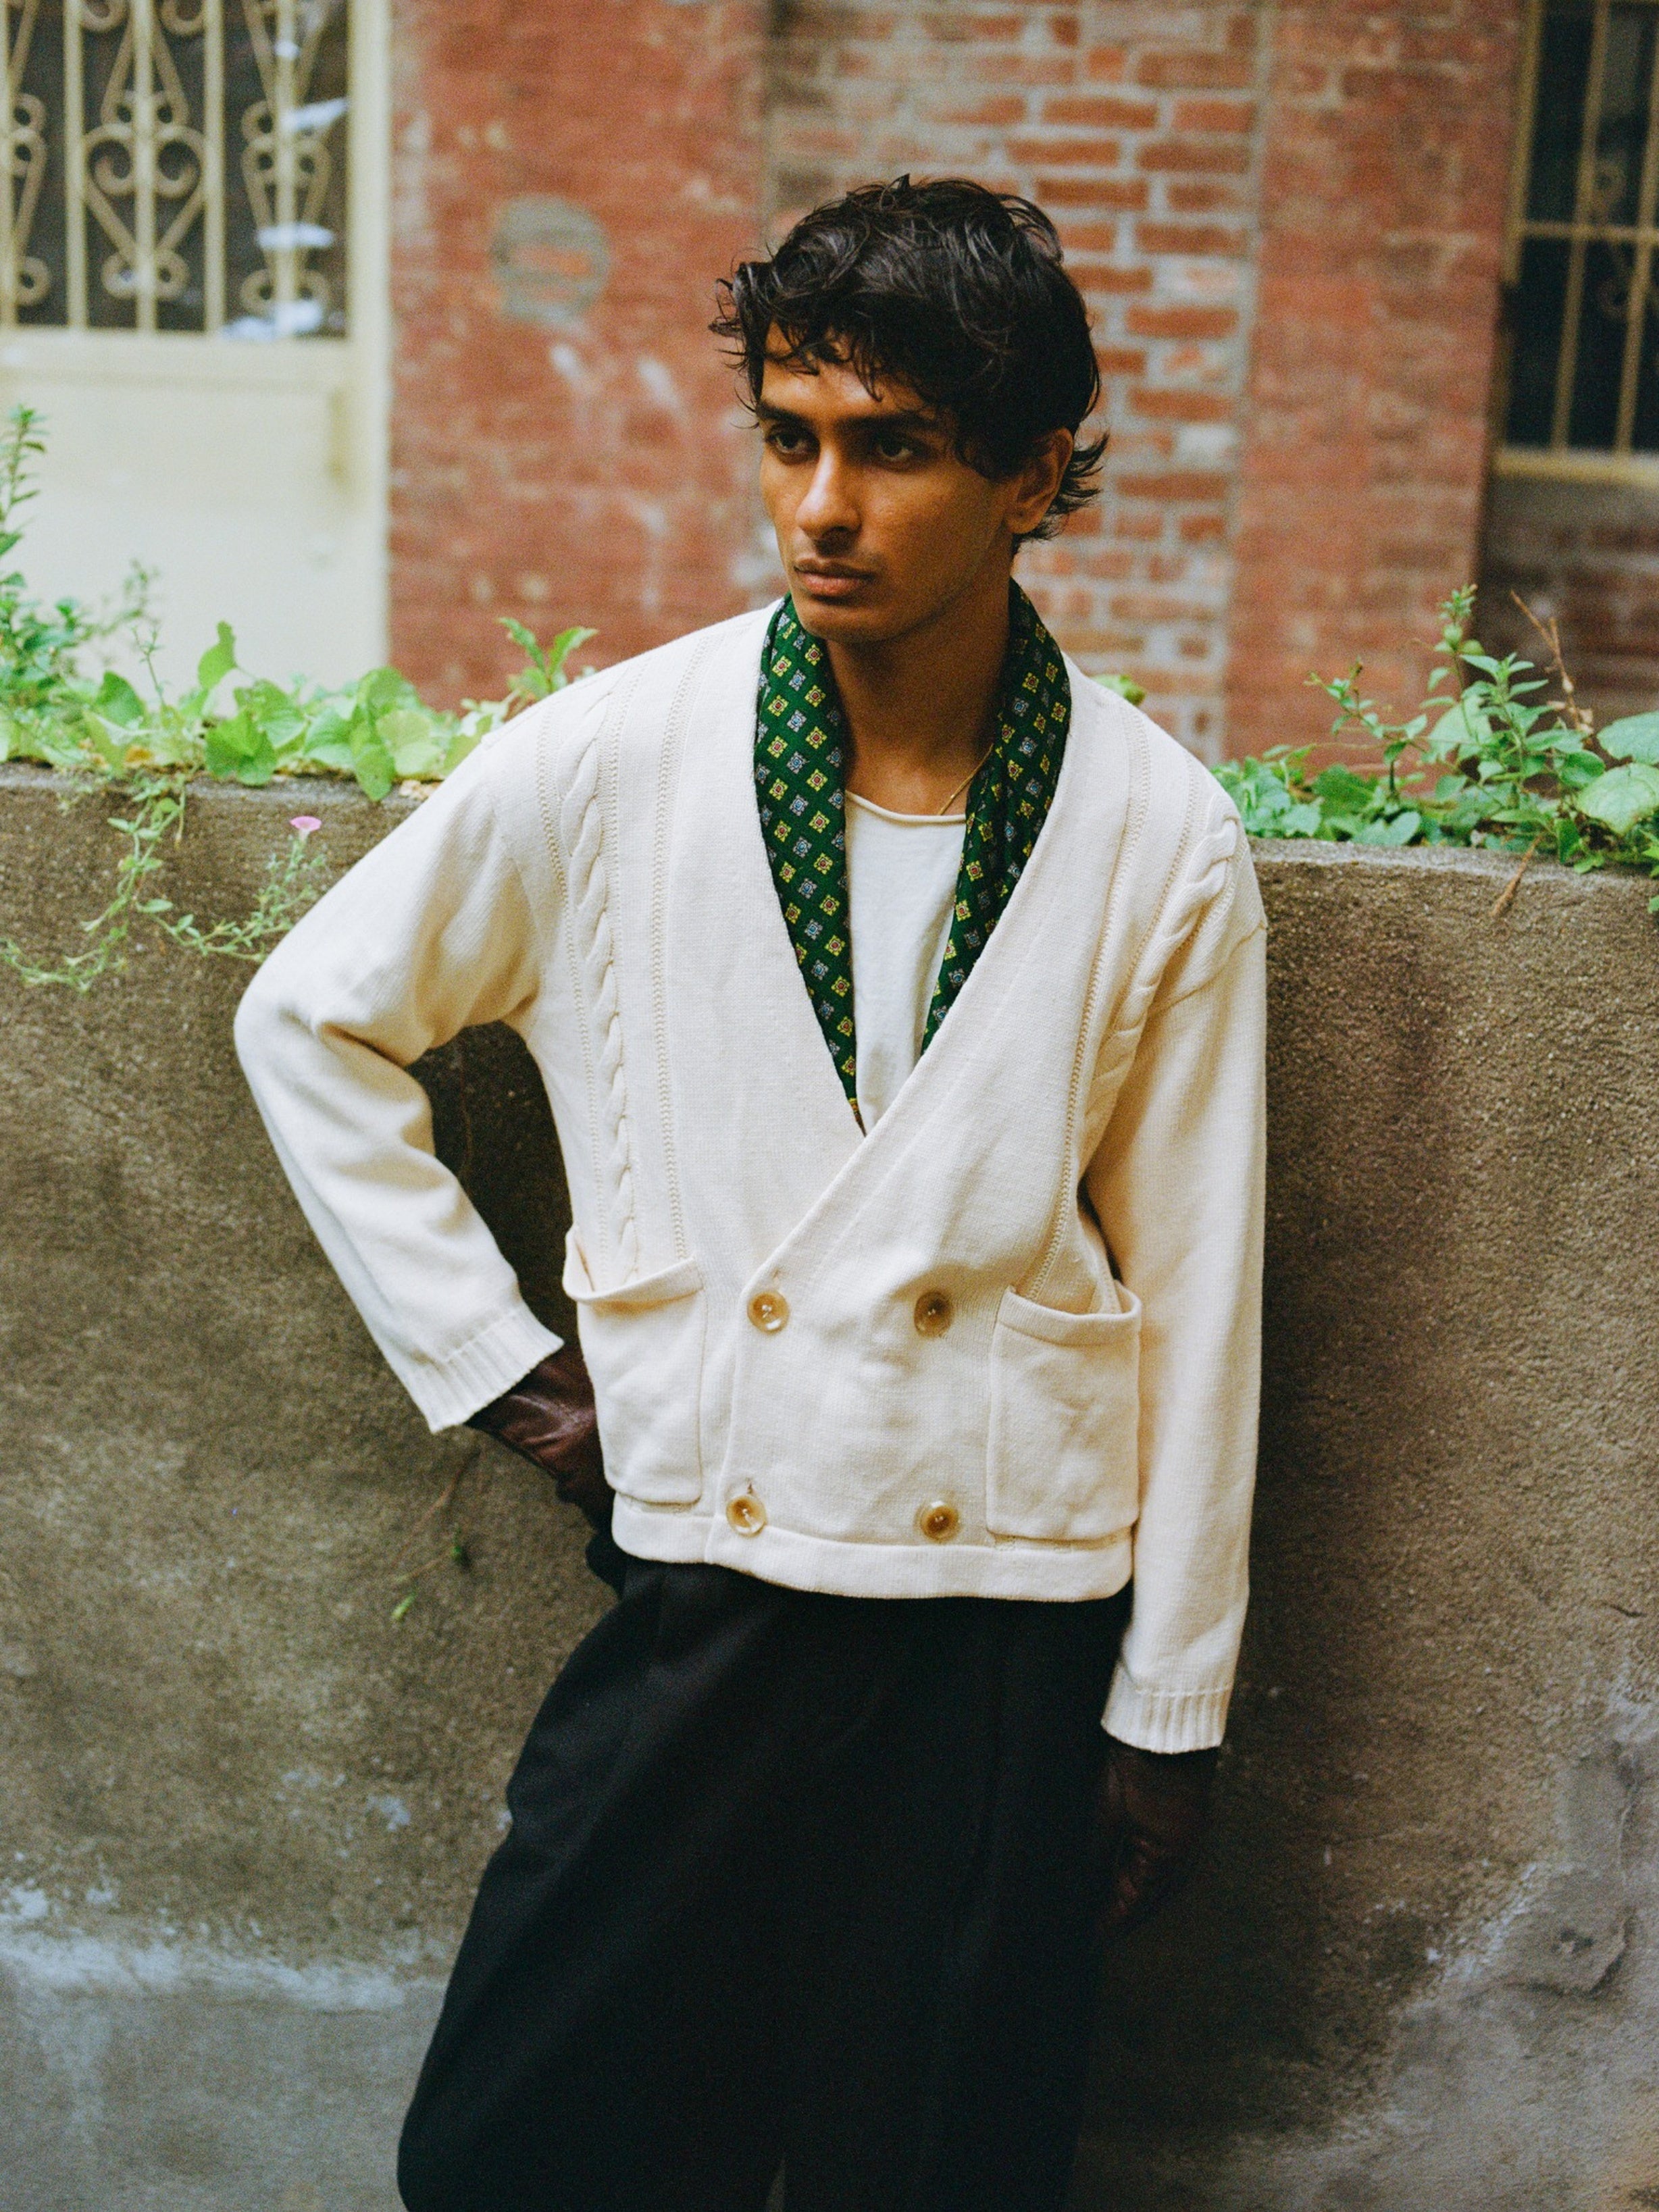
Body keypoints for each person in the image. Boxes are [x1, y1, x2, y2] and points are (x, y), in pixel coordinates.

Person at [235, 176, 1265, 2212]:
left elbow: (1204, 1287)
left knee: (931, 2170)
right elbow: (310, 1020)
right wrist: (511, 1374)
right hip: (704, 1586)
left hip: (1000, 1625)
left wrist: (1169, 1708)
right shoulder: (618, 760)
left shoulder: (1160, 833)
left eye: (896, 448)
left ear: (1035, 476)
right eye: (789, 437)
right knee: (521, 2149)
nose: (823, 505)